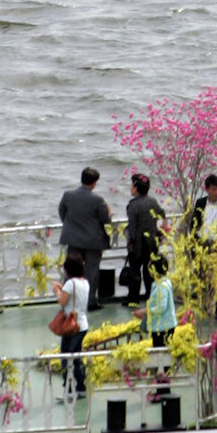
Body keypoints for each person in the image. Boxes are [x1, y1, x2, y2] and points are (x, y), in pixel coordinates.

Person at [58, 166, 112, 308]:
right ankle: (89, 301)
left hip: (73, 239)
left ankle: (66, 300)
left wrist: (71, 225)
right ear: (94, 183)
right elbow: (105, 220)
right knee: (91, 272)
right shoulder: (97, 200)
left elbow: (62, 212)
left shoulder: (68, 195)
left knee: (71, 270)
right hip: (93, 241)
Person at [123, 173, 166, 301]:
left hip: (137, 243)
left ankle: (133, 300)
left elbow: (132, 226)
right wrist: (160, 229)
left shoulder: (132, 205)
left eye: (132, 185)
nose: (130, 188)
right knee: (149, 271)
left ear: (136, 188)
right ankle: (149, 296)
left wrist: (131, 242)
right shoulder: (152, 201)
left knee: (135, 271)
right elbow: (162, 214)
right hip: (151, 242)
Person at [54, 251, 90, 391]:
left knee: (66, 358)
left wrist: (56, 291)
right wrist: (62, 289)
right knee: (76, 357)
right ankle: (81, 385)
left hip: (71, 326)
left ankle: (68, 387)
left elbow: (62, 300)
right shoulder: (85, 282)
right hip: (82, 324)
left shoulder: (70, 283)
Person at [144, 259, 176, 348]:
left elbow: (162, 307)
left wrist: (147, 311)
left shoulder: (161, 286)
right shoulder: (160, 283)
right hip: (163, 325)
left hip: (162, 327)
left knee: (161, 351)